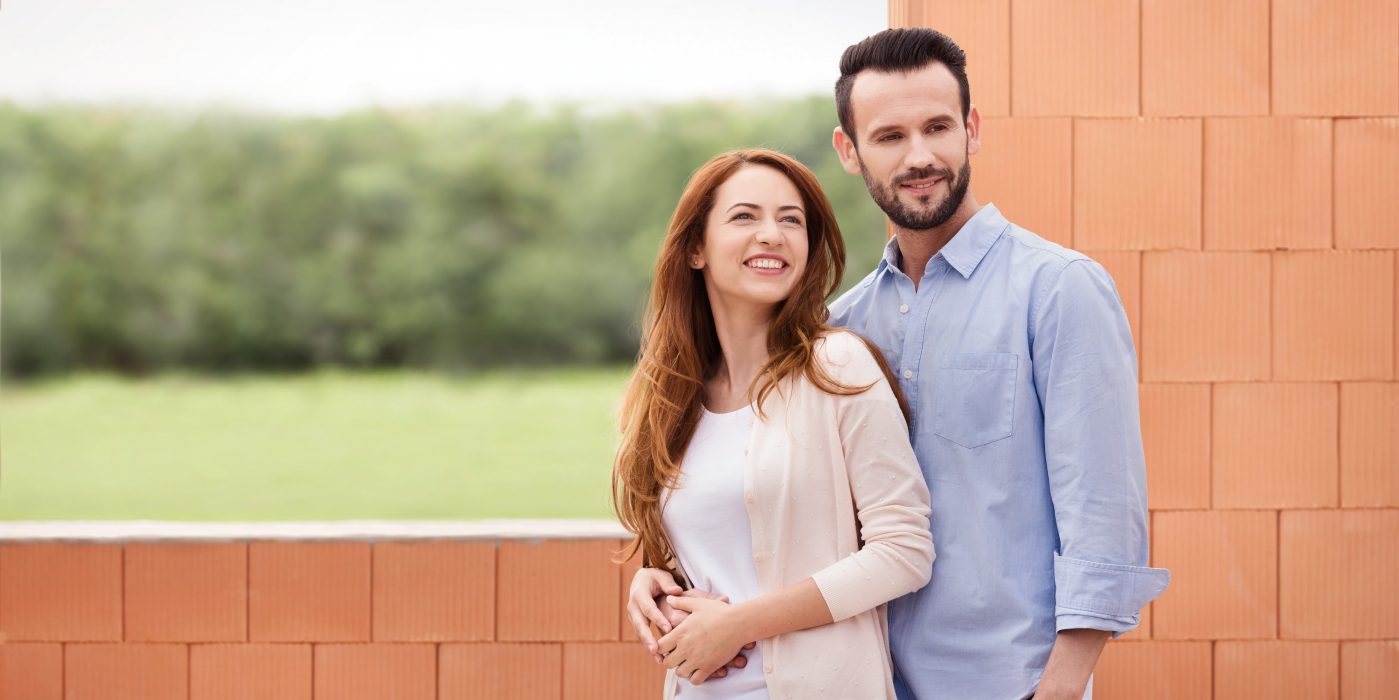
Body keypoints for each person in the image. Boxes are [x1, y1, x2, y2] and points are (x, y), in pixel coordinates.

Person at [631, 28, 1170, 700]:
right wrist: (660, 574)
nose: (919, 156)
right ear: (849, 151)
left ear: (971, 129)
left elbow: (1103, 514)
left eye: (937, 127)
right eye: (889, 136)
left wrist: (1059, 687)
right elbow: (775, 508)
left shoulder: (1058, 290)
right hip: (867, 678)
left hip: (1007, 682)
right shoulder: (841, 328)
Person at [613, 148, 934, 699]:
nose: (773, 234)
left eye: (791, 220)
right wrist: (656, 581)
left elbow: (904, 552)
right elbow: (715, 549)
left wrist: (741, 625)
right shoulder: (670, 396)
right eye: (745, 217)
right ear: (695, 248)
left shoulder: (837, 367)